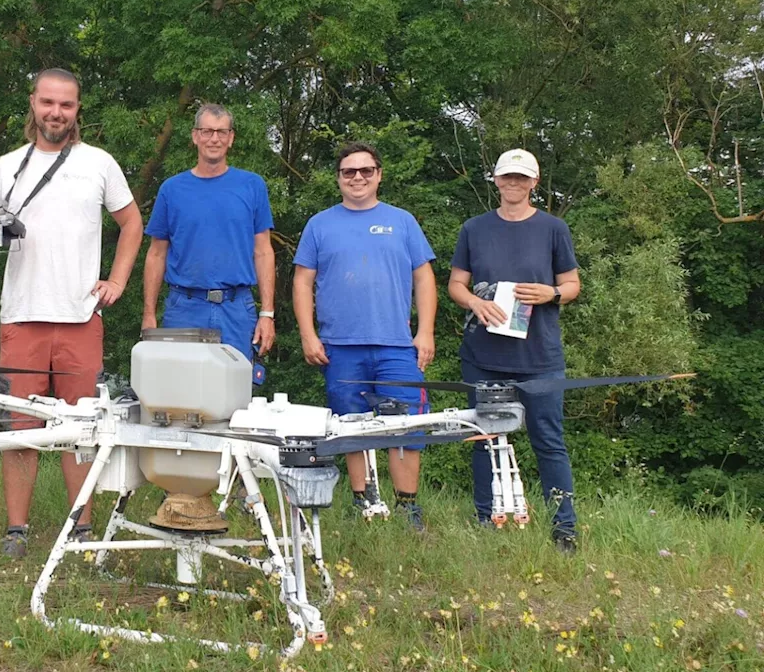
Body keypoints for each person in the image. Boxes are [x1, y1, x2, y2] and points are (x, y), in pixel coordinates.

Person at [0, 68, 143, 558]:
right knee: (21, 428)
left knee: (80, 431)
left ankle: (81, 529)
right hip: (21, 315)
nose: (56, 113)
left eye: (66, 105)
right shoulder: (8, 165)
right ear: (33, 104)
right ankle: (16, 531)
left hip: (81, 316)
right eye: (48, 103)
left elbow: (131, 223)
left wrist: (118, 281)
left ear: (77, 109)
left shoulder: (99, 163)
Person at [293, 142, 437, 531]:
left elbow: (424, 277)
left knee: (405, 425)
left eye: (366, 171)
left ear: (379, 175)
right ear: (338, 178)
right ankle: (365, 502)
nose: (358, 177)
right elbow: (302, 281)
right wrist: (308, 335)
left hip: (397, 344)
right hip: (340, 345)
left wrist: (425, 332)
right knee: (351, 424)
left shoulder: (403, 221)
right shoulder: (320, 224)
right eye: (349, 172)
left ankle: (408, 508)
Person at [448, 148, 582, 553]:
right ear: (496, 181)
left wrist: (552, 293)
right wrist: (475, 302)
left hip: (539, 355)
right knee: (483, 438)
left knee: (548, 440)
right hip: (483, 354)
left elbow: (573, 285)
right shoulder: (474, 228)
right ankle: (486, 517)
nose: (514, 184)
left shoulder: (554, 228)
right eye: (507, 177)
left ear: (534, 183)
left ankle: (565, 527)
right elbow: (455, 284)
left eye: (522, 178)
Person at [140, 104, 275, 361]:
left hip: (236, 308)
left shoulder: (252, 185)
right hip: (185, 307)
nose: (214, 139)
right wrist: (149, 313)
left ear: (231, 138)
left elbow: (264, 251)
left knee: (236, 394)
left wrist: (267, 314)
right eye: (207, 131)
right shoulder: (172, 189)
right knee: (179, 393)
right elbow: (156, 254)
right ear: (195, 136)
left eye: (221, 132)